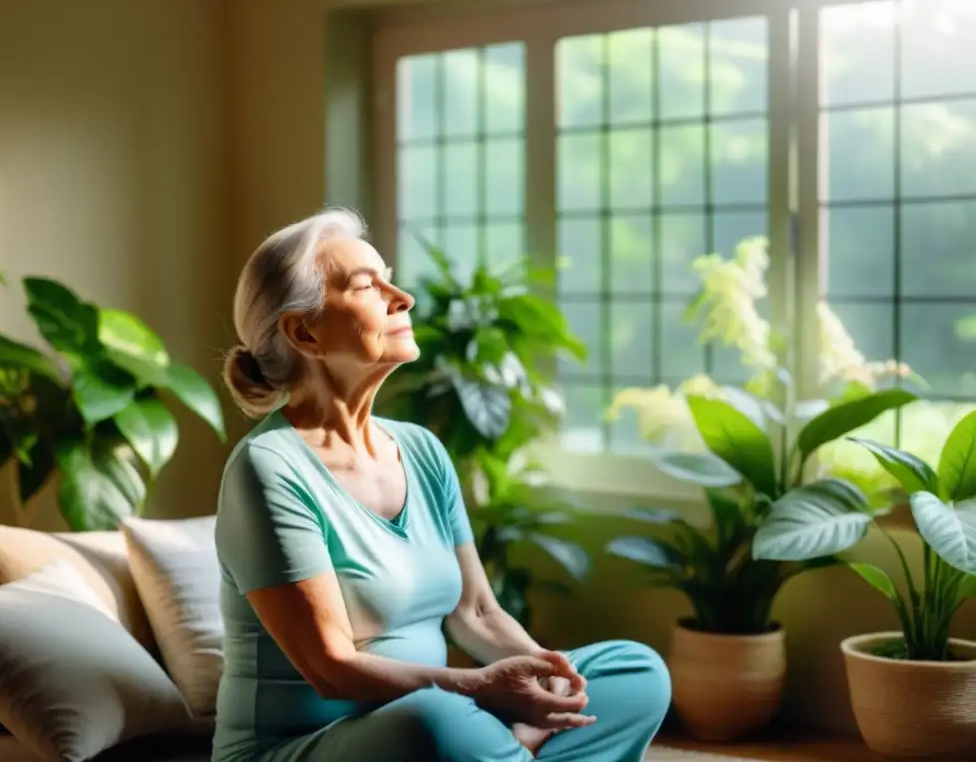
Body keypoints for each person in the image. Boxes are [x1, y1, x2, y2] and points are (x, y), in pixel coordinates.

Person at [213, 207, 671, 762]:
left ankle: (508, 749)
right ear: (304, 332)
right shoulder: (267, 467)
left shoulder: (422, 450)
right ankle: (510, 749)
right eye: (367, 286)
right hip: (306, 748)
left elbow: (476, 613)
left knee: (634, 672)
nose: (400, 296)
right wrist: (479, 689)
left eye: (389, 276)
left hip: (438, 720)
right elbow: (331, 667)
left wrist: (549, 681)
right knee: (435, 723)